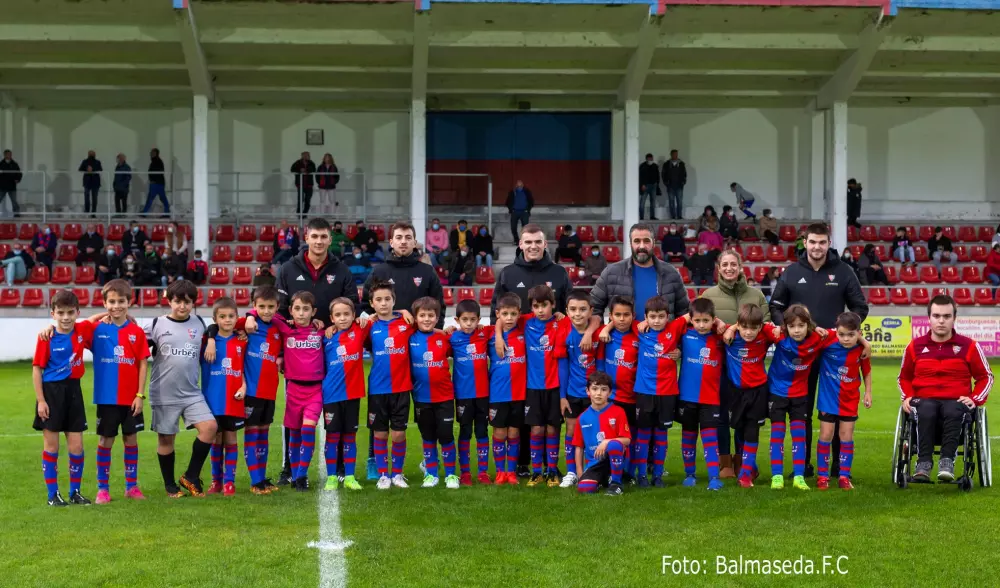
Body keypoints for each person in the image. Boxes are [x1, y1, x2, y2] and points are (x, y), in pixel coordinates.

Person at [769, 222, 868, 479]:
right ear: (805, 242)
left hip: (834, 355)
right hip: (801, 355)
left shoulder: (844, 271)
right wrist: (787, 330)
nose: (817, 247)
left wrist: (846, 332)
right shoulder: (791, 272)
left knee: (835, 410)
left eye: (822, 242)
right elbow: (776, 306)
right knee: (802, 410)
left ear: (828, 243)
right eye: (812, 242)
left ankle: (836, 466)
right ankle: (804, 467)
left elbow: (860, 307)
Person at [273, 217, 359, 485]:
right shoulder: (288, 268)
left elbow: (353, 304)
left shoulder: (341, 269)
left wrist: (332, 326)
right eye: (314, 236)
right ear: (306, 238)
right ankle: (289, 467)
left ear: (330, 240)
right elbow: (276, 308)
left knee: (336, 408)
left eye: (324, 237)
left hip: (332, 349)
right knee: (294, 417)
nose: (319, 241)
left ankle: (342, 466)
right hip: (299, 351)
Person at [899, 294, 992, 482]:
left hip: (956, 401)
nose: (941, 321)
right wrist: (907, 396)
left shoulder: (969, 346)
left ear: (954, 318)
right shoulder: (914, 347)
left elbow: (985, 377)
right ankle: (923, 464)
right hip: (924, 400)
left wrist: (974, 399)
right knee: (926, 407)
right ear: (929, 318)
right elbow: (904, 377)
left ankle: (947, 462)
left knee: (952, 408)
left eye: (946, 316)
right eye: (936, 316)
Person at [599, 296, 687, 487]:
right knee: (643, 434)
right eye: (652, 317)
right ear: (646, 317)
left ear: (668, 317)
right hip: (644, 392)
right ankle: (641, 476)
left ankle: (657, 475)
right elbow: (618, 321)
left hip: (667, 392)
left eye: (661, 316)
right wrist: (606, 327)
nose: (656, 320)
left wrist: (725, 324)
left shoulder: (673, 328)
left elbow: (694, 314)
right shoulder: (638, 328)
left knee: (661, 434)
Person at [144, 280, 218, 498]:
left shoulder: (200, 323)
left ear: (193, 303)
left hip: (191, 392)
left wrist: (212, 339)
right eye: (177, 302)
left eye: (187, 302)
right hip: (164, 392)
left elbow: (216, 328)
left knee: (210, 428)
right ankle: (170, 486)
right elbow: (134, 339)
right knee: (166, 439)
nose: (182, 307)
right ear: (169, 301)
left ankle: (190, 476)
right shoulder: (157, 324)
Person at [207, 286, 283, 494]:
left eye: (270, 307)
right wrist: (212, 339)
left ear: (277, 307)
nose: (266, 311)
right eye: (261, 307)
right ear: (254, 306)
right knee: (251, 432)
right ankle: (255, 480)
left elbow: (290, 336)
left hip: (270, 390)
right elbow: (215, 326)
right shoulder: (245, 323)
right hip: (250, 391)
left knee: (264, 434)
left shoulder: (279, 328)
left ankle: (262, 477)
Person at [700, 249, 770, 476]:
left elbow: (766, 324)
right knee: (720, 413)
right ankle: (725, 462)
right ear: (718, 268)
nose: (729, 268)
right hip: (717, 364)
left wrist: (735, 329)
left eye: (733, 264)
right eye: (725, 265)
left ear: (740, 267)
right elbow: (699, 322)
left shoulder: (756, 295)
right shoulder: (708, 295)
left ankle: (743, 459)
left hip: (748, 366)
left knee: (745, 415)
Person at [498, 284, 568, 488]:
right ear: (531, 308)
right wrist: (499, 337)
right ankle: (537, 471)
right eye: (536, 306)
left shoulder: (560, 323)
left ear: (553, 305)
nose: (540, 310)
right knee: (536, 430)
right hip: (532, 388)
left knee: (552, 429)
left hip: (554, 387)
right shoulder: (525, 321)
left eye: (544, 305)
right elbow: (502, 319)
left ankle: (552, 470)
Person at [255, 291, 325, 491]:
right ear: (290, 310)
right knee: (294, 434)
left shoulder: (321, 331)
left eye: (306, 309)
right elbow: (264, 311)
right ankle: (294, 475)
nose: (301, 314)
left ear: (314, 312)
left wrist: (320, 323)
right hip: (293, 389)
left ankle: (302, 475)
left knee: (308, 429)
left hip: (315, 390)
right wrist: (252, 314)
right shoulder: (285, 328)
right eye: (297, 309)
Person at [88, 279, 150, 503]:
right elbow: (80, 325)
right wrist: (97, 316)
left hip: (131, 399)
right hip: (106, 398)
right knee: (106, 441)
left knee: (131, 440)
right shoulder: (97, 329)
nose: (116, 306)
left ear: (129, 302)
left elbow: (143, 363)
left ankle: (131, 487)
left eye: (121, 301)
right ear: (105, 303)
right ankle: (102, 489)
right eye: (111, 302)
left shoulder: (136, 332)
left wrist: (140, 395)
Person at [766, 304, 838, 491]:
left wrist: (865, 343)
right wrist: (731, 327)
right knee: (777, 435)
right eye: (792, 326)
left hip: (800, 395)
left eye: (800, 325)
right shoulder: (778, 335)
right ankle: (777, 476)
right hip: (777, 393)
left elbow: (845, 331)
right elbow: (752, 325)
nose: (796, 330)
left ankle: (799, 475)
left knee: (799, 436)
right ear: (785, 327)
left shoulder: (818, 337)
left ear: (808, 325)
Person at [32, 291, 95, 506]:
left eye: (70, 313)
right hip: (51, 393)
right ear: (53, 314)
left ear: (78, 313)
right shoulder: (46, 337)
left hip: (74, 391)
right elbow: (36, 370)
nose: (66, 317)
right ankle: (52, 495)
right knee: (52, 446)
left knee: (76, 446)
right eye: (61, 313)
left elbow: (97, 320)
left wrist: (112, 312)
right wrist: (41, 400)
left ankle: (74, 492)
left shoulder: (82, 330)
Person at [720, 305, 782, 487]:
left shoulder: (765, 335)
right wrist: (729, 327)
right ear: (738, 325)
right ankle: (746, 466)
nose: (749, 332)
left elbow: (786, 332)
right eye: (744, 327)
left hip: (758, 391)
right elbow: (708, 324)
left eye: (753, 328)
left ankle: (746, 474)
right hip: (735, 392)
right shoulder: (729, 336)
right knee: (738, 429)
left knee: (751, 431)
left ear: (760, 327)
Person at [365, 280, 416, 490]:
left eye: (387, 299)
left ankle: (397, 473)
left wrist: (405, 310)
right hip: (378, 389)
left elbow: (428, 328)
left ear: (394, 301)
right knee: (380, 433)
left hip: (401, 388)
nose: (383, 303)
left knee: (398, 433)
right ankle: (383, 474)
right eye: (379, 300)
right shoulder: (368, 326)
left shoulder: (406, 323)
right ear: (372, 303)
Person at [590, 222, 689, 329]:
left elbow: (684, 312)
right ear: (631, 244)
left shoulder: (671, 273)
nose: (641, 246)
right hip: (622, 343)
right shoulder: (611, 272)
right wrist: (599, 335)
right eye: (637, 241)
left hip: (662, 343)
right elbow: (593, 308)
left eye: (646, 241)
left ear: (653, 243)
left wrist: (676, 340)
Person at [814, 311, 872, 491]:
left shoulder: (861, 350)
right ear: (836, 331)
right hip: (828, 398)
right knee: (825, 435)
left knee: (846, 437)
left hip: (850, 399)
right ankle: (823, 477)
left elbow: (867, 372)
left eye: (851, 335)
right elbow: (812, 332)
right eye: (842, 334)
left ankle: (844, 477)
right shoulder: (828, 340)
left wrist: (868, 392)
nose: (846, 339)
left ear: (859, 334)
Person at [408, 297, 460, 489]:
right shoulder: (409, 337)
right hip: (422, 398)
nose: (427, 319)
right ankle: (430, 474)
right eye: (422, 315)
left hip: (445, 396)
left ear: (437, 317)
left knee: (446, 435)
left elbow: (466, 336)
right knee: (428, 436)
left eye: (431, 315)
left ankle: (451, 475)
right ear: (415, 318)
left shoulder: (444, 338)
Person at [676, 298, 727, 491]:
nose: (702, 325)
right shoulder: (684, 333)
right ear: (691, 319)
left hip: (710, 399)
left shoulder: (719, 336)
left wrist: (721, 323)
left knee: (710, 438)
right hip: (687, 398)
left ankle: (714, 476)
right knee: (688, 436)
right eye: (697, 321)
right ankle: (690, 474)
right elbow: (671, 326)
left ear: (713, 319)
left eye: (706, 321)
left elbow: (735, 330)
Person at [199, 298, 247, 496]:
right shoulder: (206, 342)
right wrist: (210, 339)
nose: (227, 320)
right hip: (212, 399)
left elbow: (243, 369)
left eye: (231, 316)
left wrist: (244, 386)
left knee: (231, 439)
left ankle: (229, 482)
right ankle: (215, 481)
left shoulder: (242, 341)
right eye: (222, 317)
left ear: (237, 317)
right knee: (215, 440)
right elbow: (208, 329)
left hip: (234, 399)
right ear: (215, 319)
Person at [319, 297, 367, 491]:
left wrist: (403, 312)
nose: (343, 318)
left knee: (350, 436)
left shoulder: (360, 329)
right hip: (330, 395)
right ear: (331, 318)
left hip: (353, 394)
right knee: (332, 436)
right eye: (338, 315)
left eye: (347, 314)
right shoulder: (326, 337)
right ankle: (331, 476)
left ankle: (349, 476)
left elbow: (384, 315)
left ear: (354, 315)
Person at [554, 290, 597, 488]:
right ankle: (571, 471)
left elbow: (603, 364)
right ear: (566, 311)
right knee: (571, 430)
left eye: (582, 309)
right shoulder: (564, 332)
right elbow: (563, 367)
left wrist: (604, 392)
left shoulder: (599, 332)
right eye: (573, 309)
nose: (578, 314)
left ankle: (591, 470)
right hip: (573, 392)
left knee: (594, 432)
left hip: (595, 394)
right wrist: (562, 396)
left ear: (591, 311)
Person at [595, 296, 640, 481]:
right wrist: (607, 327)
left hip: (632, 397)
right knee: (609, 436)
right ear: (610, 315)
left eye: (626, 315)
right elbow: (599, 364)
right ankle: (610, 472)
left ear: (633, 316)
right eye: (617, 315)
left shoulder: (639, 332)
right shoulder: (604, 336)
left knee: (631, 437)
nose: (622, 319)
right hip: (611, 398)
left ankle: (629, 472)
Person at [449, 299, 492, 486]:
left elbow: (501, 325)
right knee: (465, 431)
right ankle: (465, 472)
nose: (468, 324)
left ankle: (483, 472)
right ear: (457, 320)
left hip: (483, 393)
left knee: (482, 431)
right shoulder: (452, 338)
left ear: (479, 320)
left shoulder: (484, 334)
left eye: (473, 319)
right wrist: (446, 330)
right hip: (463, 395)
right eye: (464, 319)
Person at [491, 223, 571, 322]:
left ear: (545, 244)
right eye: (528, 242)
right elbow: (496, 309)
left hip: (553, 335)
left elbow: (570, 307)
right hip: (517, 335)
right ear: (521, 244)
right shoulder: (507, 273)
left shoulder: (560, 272)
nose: (533, 246)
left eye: (538, 242)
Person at [488, 292, 528, 485]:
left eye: (513, 314)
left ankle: (511, 472)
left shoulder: (524, 330)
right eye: (505, 314)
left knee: (513, 433)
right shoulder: (489, 334)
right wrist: (497, 333)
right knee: (499, 433)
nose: (509, 318)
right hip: (497, 394)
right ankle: (499, 471)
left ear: (519, 313)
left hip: (519, 394)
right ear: (498, 314)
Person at [571, 371, 631, 496]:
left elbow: (627, 440)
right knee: (585, 489)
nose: (598, 393)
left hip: (613, 458)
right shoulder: (582, 418)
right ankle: (604, 480)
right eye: (594, 389)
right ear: (588, 391)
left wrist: (607, 442)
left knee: (614, 444)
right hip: (595, 464)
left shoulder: (618, 411)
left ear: (609, 393)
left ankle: (616, 484)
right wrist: (580, 473)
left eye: (603, 389)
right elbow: (579, 447)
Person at [506, 180, 533, 244]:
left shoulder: (527, 192)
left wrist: (528, 210)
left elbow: (531, 201)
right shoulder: (512, 192)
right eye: (518, 186)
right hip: (515, 212)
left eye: (520, 186)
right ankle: (516, 240)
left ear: (523, 185)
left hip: (524, 212)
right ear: (516, 186)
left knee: (525, 228)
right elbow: (507, 202)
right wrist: (511, 209)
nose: (519, 187)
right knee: (513, 227)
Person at [662, 149, 687, 220]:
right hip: (670, 186)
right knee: (671, 201)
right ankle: (673, 216)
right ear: (671, 155)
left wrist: (683, 182)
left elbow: (684, 174)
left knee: (679, 202)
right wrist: (666, 182)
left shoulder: (681, 164)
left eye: (676, 154)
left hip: (679, 186)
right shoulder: (666, 164)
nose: (675, 156)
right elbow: (663, 174)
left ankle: (679, 216)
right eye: (674, 154)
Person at [143, 148, 169, 214]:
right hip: (158, 183)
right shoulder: (156, 161)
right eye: (151, 153)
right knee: (162, 198)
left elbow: (157, 172)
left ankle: (144, 213)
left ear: (156, 153)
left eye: (152, 153)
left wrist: (153, 180)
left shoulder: (157, 161)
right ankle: (167, 213)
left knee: (151, 198)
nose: (151, 154)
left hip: (156, 183)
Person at [78, 150, 102, 216]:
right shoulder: (85, 161)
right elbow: (80, 169)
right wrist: (86, 169)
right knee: (86, 197)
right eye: (90, 154)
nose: (91, 155)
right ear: (88, 154)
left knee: (94, 198)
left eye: (92, 154)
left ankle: (93, 212)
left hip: (95, 182)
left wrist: (92, 169)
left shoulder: (97, 162)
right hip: (87, 182)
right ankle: (87, 211)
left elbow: (100, 169)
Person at [0, 149, 22, 216]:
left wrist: (17, 179)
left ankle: (16, 213)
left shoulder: (14, 164)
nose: (10, 155)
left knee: (14, 201)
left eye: (10, 154)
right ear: (5, 155)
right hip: (2, 186)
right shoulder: (1, 164)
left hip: (12, 186)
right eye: (8, 154)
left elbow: (19, 173)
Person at [639, 153, 660, 221]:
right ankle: (641, 217)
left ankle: (652, 216)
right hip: (645, 186)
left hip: (653, 185)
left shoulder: (655, 166)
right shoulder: (642, 166)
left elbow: (657, 176)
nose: (650, 160)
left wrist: (657, 183)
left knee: (653, 202)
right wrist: (642, 185)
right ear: (646, 159)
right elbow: (640, 177)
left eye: (651, 159)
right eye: (649, 159)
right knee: (642, 202)